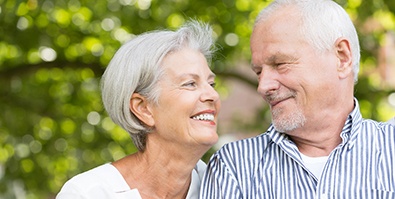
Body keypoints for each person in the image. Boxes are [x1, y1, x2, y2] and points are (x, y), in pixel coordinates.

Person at [200, 0, 395, 198]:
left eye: (280, 63)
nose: (263, 86)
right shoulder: (234, 167)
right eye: (259, 72)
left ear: (342, 57)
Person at [56, 20, 221, 199]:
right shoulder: (89, 193)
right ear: (143, 108)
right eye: (190, 84)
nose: (212, 95)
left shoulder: (224, 186)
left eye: (211, 83)